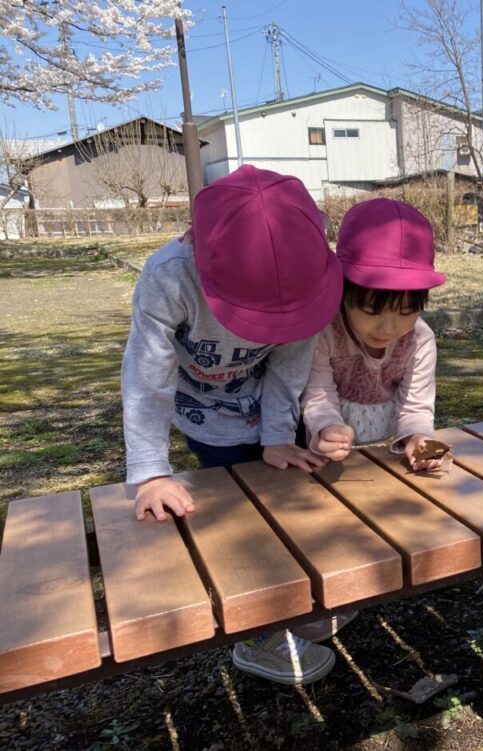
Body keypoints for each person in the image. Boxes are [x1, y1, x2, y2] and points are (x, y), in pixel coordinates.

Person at [121, 164, 344, 686]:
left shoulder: (308, 273)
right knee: (235, 525)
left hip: (268, 409)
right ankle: (258, 633)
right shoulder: (169, 277)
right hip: (206, 418)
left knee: (292, 506)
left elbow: (289, 365)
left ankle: (299, 603)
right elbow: (147, 380)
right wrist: (151, 473)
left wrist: (276, 437)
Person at [301, 198, 446, 470]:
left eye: (406, 312)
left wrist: (418, 438)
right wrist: (327, 428)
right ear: (342, 290)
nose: (388, 328)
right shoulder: (324, 332)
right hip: (328, 462)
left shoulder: (420, 340)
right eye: (370, 310)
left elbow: (416, 407)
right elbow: (318, 394)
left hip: (388, 457)